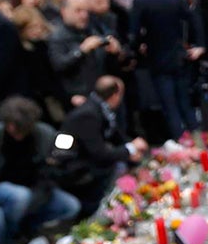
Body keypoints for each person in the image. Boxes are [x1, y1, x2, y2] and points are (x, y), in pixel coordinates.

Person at [0, 96, 80, 241]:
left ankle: (30, 229)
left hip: (35, 187)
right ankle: (9, 238)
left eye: (21, 128)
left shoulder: (44, 134)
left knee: (70, 206)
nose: (15, 131)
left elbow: (52, 169)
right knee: (20, 196)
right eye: (11, 125)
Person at [128, 0, 206, 142]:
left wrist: (138, 49)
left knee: (169, 104)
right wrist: (199, 44)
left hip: (157, 58)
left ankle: (181, 142)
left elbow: (134, 33)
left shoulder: (140, 2)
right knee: (184, 101)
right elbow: (194, 18)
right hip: (179, 55)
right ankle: (198, 140)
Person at [56, 76, 147, 217]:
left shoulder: (99, 107)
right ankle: (104, 211)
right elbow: (99, 153)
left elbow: (116, 136)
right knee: (119, 166)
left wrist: (130, 148)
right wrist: (129, 149)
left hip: (87, 158)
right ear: (115, 95)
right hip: (77, 169)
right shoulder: (88, 114)